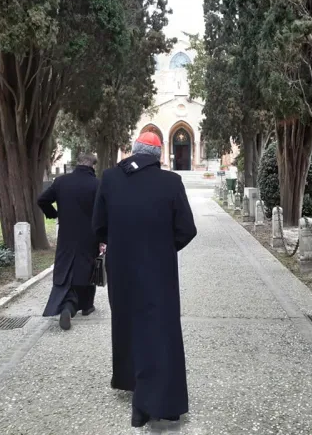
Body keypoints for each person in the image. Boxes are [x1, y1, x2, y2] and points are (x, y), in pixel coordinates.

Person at [92, 132, 197, 428]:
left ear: (134, 152)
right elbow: (187, 229)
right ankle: (166, 403)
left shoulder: (111, 178)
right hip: (159, 269)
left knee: (128, 325)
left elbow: (98, 226)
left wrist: (119, 242)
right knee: (161, 330)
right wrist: (163, 247)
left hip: (122, 267)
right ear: (158, 155)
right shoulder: (171, 182)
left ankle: (136, 390)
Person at [38, 152, 101, 330]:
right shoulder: (97, 184)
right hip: (90, 236)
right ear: (92, 166)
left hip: (66, 235)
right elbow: (103, 213)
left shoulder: (61, 182)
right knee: (88, 269)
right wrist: (104, 238)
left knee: (66, 269)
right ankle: (83, 306)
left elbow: (42, 200)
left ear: (77, 163)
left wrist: (54, 214)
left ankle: (69, 305)